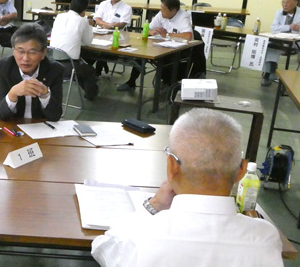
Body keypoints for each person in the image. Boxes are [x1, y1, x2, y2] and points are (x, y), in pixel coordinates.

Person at [91, 108, 283, 267]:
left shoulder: (138, 238)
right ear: (241, 171)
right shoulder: (265, 240)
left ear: (172, 166)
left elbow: (102, 248)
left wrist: (154, 205)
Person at [117, 0, 193, 91]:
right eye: (161, 8)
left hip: (178, 50)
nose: (161, 11)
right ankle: (131, 82)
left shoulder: (183, 17)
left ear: (173, 11)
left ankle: (169, 84)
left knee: (165, 60)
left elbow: (188, 36)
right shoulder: (161, 14)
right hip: (161, 46)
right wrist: (151, 32)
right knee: (141, 54)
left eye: (164, 9)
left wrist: (168, 34)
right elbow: (147, 28)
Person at [0, 23, 64, 121]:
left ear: (43, 53)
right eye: (20, 51)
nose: (25, 59)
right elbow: (0, 115)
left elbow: (55, 116)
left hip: (41, 130)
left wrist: (45, 95)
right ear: (13, 50)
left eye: (32, 52)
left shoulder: (55, 70)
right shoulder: (2, 68)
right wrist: (13, 94)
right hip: (12, 129)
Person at [50, 0, 98, 100]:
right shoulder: (82, 20)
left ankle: (84, 86)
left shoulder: (59, 16)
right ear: (84, 9)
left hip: (52, 62)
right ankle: (91, 95)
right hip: (69, 66)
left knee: (82, 67)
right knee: (89, 71)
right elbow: (88, 42)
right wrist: (89, 25)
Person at [87, 0, 133, 75]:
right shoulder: (104, 4)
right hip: (99, 33)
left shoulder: (126, 8)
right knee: (88, 48)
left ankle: (96, 70)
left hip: (115, 36)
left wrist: (110, 26)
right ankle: (90, 68)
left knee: (100, 51)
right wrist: (106, 25)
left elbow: (122, 24)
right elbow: (97, 19)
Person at [261, 0, 300, 86]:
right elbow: (274, 28)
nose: (284, 5)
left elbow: (279, 27)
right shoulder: (279, 12)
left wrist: (298, 28)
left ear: (295, 3)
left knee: (276, 45)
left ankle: (278, 75)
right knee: (270, 44)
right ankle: (269, 72)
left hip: (295, 42)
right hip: (280, 40)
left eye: (287, 2)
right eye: (283, 2)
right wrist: (289, 27)